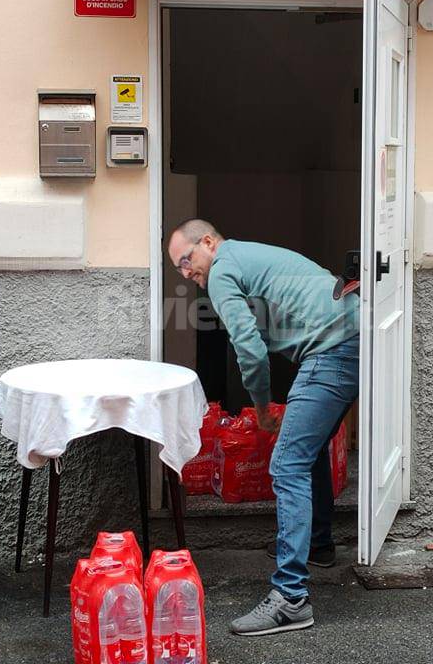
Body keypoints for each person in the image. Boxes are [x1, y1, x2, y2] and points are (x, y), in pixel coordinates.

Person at [167, 219, 360, 636]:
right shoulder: (245, 255)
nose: (185, 274)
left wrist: (262, 410)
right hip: (354, 334)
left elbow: (249, 350)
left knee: (287, 463)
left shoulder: (221, 271)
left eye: (186, 260)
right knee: (307, 453)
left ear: (208, 242)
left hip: (333, 349)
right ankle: (320, 544)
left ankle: (291, 599)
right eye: (178, 269)